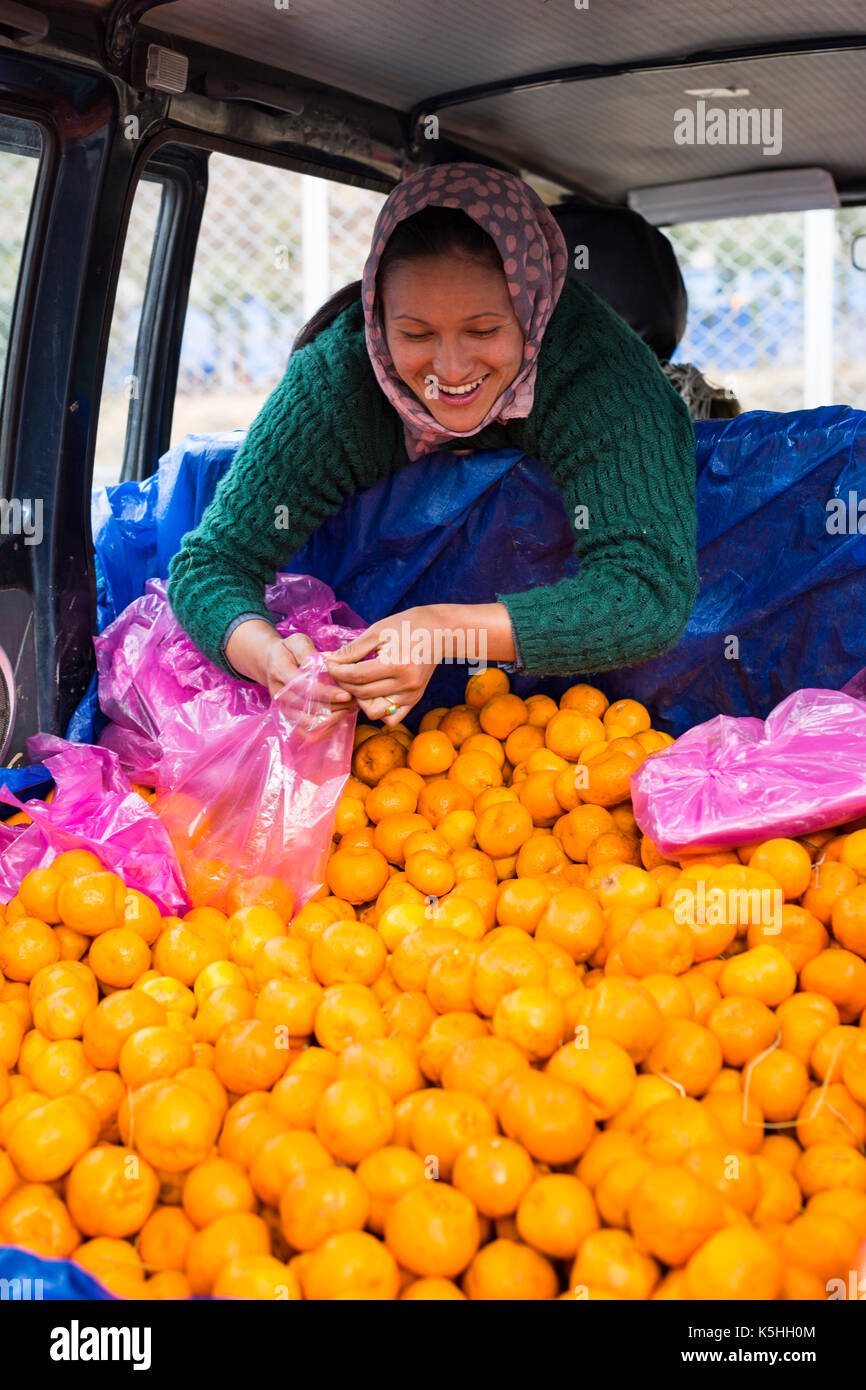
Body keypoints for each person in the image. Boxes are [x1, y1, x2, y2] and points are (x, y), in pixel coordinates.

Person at [168, 163, 699, 727]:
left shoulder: (600, 376)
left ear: (533, 308)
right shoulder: (337, 382)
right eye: (416, 334)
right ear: (376, 317)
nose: (448, 369)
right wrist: (268, 658)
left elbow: (645, 592)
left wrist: (439, 629)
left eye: (484, 331)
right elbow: (211, 563)